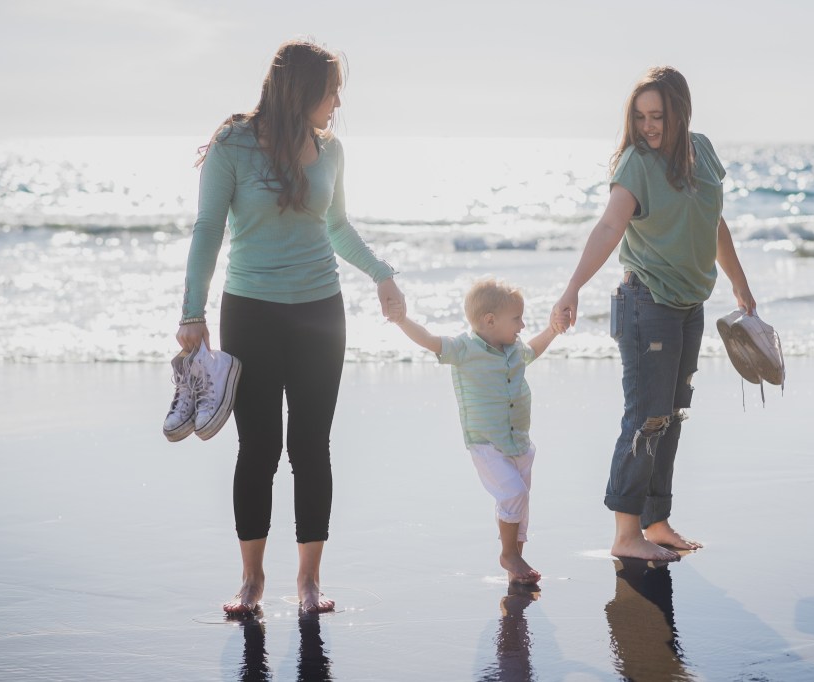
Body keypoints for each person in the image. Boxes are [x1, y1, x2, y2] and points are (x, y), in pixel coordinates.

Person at [175, 38, 405, 615]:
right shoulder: (233, 143)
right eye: (332, 92)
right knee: (258, 447)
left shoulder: (330, 151)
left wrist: (382, 274)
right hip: (250, 311)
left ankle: (307, 581)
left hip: (320, 314)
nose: (337, 103)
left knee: (311, 445)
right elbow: (208, 229)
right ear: (302, 90)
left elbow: (339, 227)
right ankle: (251, 581)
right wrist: (191, 311)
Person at [550, 66, 756, 562]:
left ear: (680, 113)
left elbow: (714, 221)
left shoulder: (701, 151)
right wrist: (572, 287)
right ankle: (625, 534)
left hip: (688, 305)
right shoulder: (635, 165)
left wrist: (740, 283)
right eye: (640, 116)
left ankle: (656, 522)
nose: (648, 126)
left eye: (657, 116)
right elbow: (607, 228)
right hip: (646, 304)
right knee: (647, 417)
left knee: (673, 415)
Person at [389, 279, 562, 583]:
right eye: (517, 319)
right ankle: (508, 555)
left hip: (519, 441)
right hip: (486, 443)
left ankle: (516, 563)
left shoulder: (513, 349)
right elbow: (429, 340)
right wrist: (402, 319)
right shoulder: (463, 348)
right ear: (490, 320)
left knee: (519, 503)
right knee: (513, 493)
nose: (522, 325)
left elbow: (532, 351)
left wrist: (552, 330)